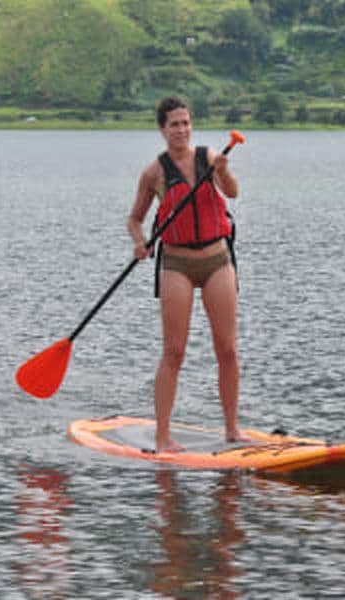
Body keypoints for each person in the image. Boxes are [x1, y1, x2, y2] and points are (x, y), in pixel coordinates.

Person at [128, 96, 249, 452]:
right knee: (174, 352)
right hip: (177, 264)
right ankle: (163, 436)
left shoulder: (210, 158)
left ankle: (231, 429)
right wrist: (140, 243)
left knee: (227, 349)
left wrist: (224, 171)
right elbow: (135, 219)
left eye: (186, 123)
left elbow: (233, 193)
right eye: (174, 125)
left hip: (217, 260)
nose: (182, 130)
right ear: (162, 130)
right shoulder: (154, 173)